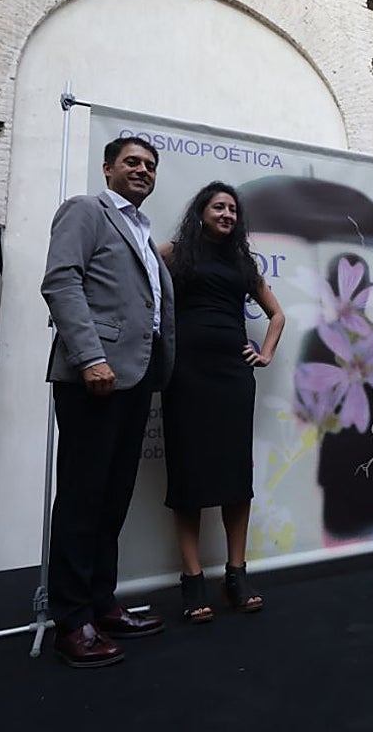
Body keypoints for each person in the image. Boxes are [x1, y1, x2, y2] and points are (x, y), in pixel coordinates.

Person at [41, 136, 176, 668]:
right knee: (81, 499)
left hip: (135, 378)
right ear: (108, 169)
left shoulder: (142, 231)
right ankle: (71, 622)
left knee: (113, 497)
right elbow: (60, 281)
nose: (142, 170)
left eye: (149, 165)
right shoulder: (85, 211)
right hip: (93, 377)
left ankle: (101, 603)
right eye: (132, 162)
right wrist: (89, 357)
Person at [159, 181, 285, 621]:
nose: (227, 214)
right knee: (189, 474)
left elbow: (278, 313)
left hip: (233, 377)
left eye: (233, 209)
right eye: (219, 207)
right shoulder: (174, 252)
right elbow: (139, 284)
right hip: (185, 374)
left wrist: (265, 352)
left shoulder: (242, 262)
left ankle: (236, 574)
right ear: (202, 211)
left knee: (234, 474)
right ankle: (192, 581)